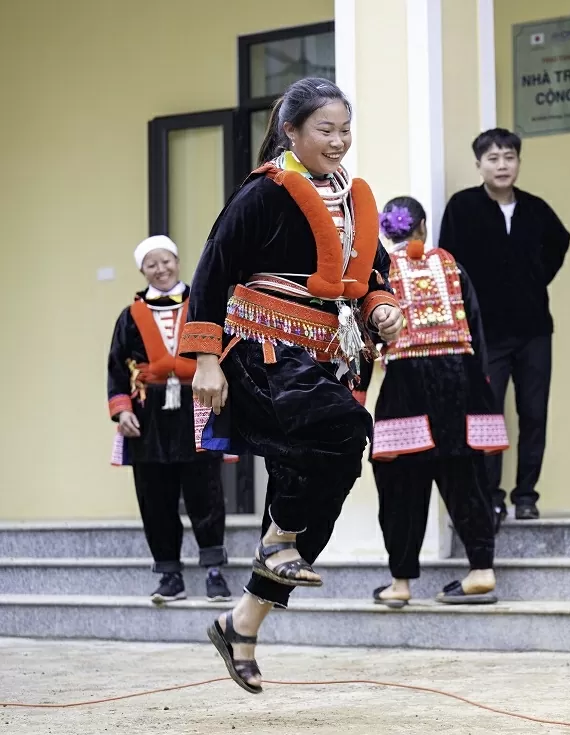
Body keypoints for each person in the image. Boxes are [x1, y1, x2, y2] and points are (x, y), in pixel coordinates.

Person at [179, 78, 403, 694]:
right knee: (344, 428)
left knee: (326, 490)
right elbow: (212, 270)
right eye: (325, 130)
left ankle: (242, 621)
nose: (338, 141)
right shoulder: (263, 193)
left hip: (327, 355)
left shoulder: (352, 200)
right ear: (292, 132)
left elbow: (373, 270)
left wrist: (381, 306)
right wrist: (204, 360)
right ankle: (277, 539)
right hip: (263, 350)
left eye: (344, 130)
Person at [370, 196, 503, 607]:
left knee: (400, 484)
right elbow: (477, 331)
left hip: (406, 384)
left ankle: (401, 583)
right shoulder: (452, 265)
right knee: (465, 477)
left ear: (386, 232)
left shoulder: (380, 273)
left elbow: (367, 333)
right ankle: (481, 570)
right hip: (459, 382)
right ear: (422, 227)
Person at [439, 127, 570, 525]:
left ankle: (526, 495)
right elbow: (449, 265)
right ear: (479, 164)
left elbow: (559, 245)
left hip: (533, 329)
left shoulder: (535, 208)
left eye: (509, 157)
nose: (502, 165)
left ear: (518, 162)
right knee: (487, 415)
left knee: (534, 413)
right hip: (485, 333)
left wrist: (532, 281)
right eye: (493, 158)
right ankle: (491, 496)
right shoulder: (462, 207)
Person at [107, 236, 231, 604]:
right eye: (151, 265)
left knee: (205, 490)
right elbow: (116, 366)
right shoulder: (129, 317)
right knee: (154, 494)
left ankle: (213, 571)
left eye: (166, 262)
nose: (160, 270)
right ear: (142, 270)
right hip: (148, 414)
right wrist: (122, 409)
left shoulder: (204, 304)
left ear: (177, 261)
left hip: (198, 403)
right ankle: (169, 575)